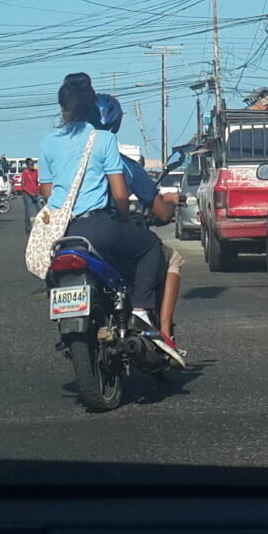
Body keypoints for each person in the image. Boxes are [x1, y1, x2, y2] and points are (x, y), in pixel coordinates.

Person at [40, 73, 182, 366]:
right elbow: (119, 194)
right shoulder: (103, 140)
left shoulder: (48, 143)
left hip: (64, 234)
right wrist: (122, 220)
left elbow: (47, 193)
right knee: (151, 248)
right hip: (99, 227)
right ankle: (142, 311)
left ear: (62, 106)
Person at [93, 93, 186, 351]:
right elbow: (162, 214)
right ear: (117, 124)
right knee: (170, 256)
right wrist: (169, 200)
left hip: (76, 234)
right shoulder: (124, 165)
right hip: (111, 232)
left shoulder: (74, 162)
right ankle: (163, 331)